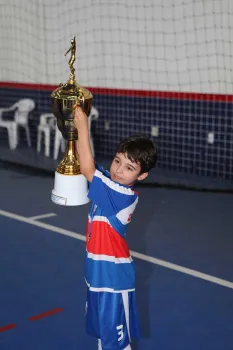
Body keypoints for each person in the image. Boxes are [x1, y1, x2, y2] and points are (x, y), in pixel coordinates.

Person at [74, 106, 157, 350]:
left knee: (116, 344)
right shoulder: (110, 183)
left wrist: (82, 127)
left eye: (129, 168)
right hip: (97, 274)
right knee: (104, 337)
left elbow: (88, 169)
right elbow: (84, 163)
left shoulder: (123, 195)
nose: (119, 170)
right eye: (117, 160)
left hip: (113, 279)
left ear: (141, 176)